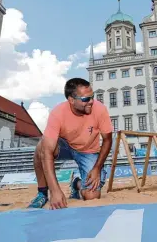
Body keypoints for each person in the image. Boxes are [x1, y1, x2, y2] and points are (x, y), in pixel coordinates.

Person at [28, 78, 113, 209]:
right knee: (41, 146)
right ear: (71, 100)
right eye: (85, 99)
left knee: (92, 196)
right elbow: (47, 152)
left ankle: (77, 184)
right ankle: (42, 194)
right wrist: (54, 190)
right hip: (65, 146)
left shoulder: (100, 109)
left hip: (88, 151)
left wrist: (97, 168)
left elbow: (107, 140)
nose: (91, 101)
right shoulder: (58, 113)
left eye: (92, 97)